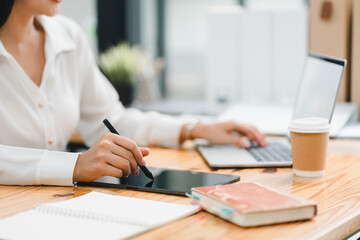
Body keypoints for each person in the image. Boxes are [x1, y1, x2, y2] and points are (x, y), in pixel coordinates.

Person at [0, 0, 267, 186]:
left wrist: (194, 128)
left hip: (55, 205)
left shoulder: (68, 37)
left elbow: (113, 122)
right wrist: (74, 166)